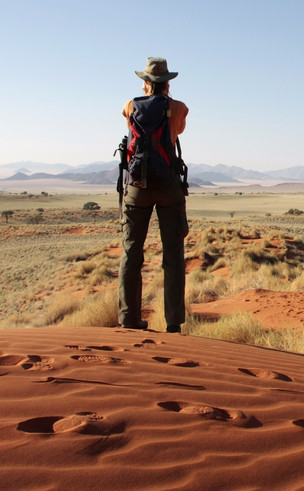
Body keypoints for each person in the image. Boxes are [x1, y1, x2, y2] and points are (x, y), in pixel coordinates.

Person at [118, 57, 189, 333]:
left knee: (131, 253)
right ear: (167, 84)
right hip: (168, 186)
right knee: (173, 256)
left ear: (145, 83)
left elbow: (127, 121)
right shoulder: (179, 108)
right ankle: (173, 324)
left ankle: (129, 319)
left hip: (137, 187)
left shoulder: (129, 106)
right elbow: (178, 131)